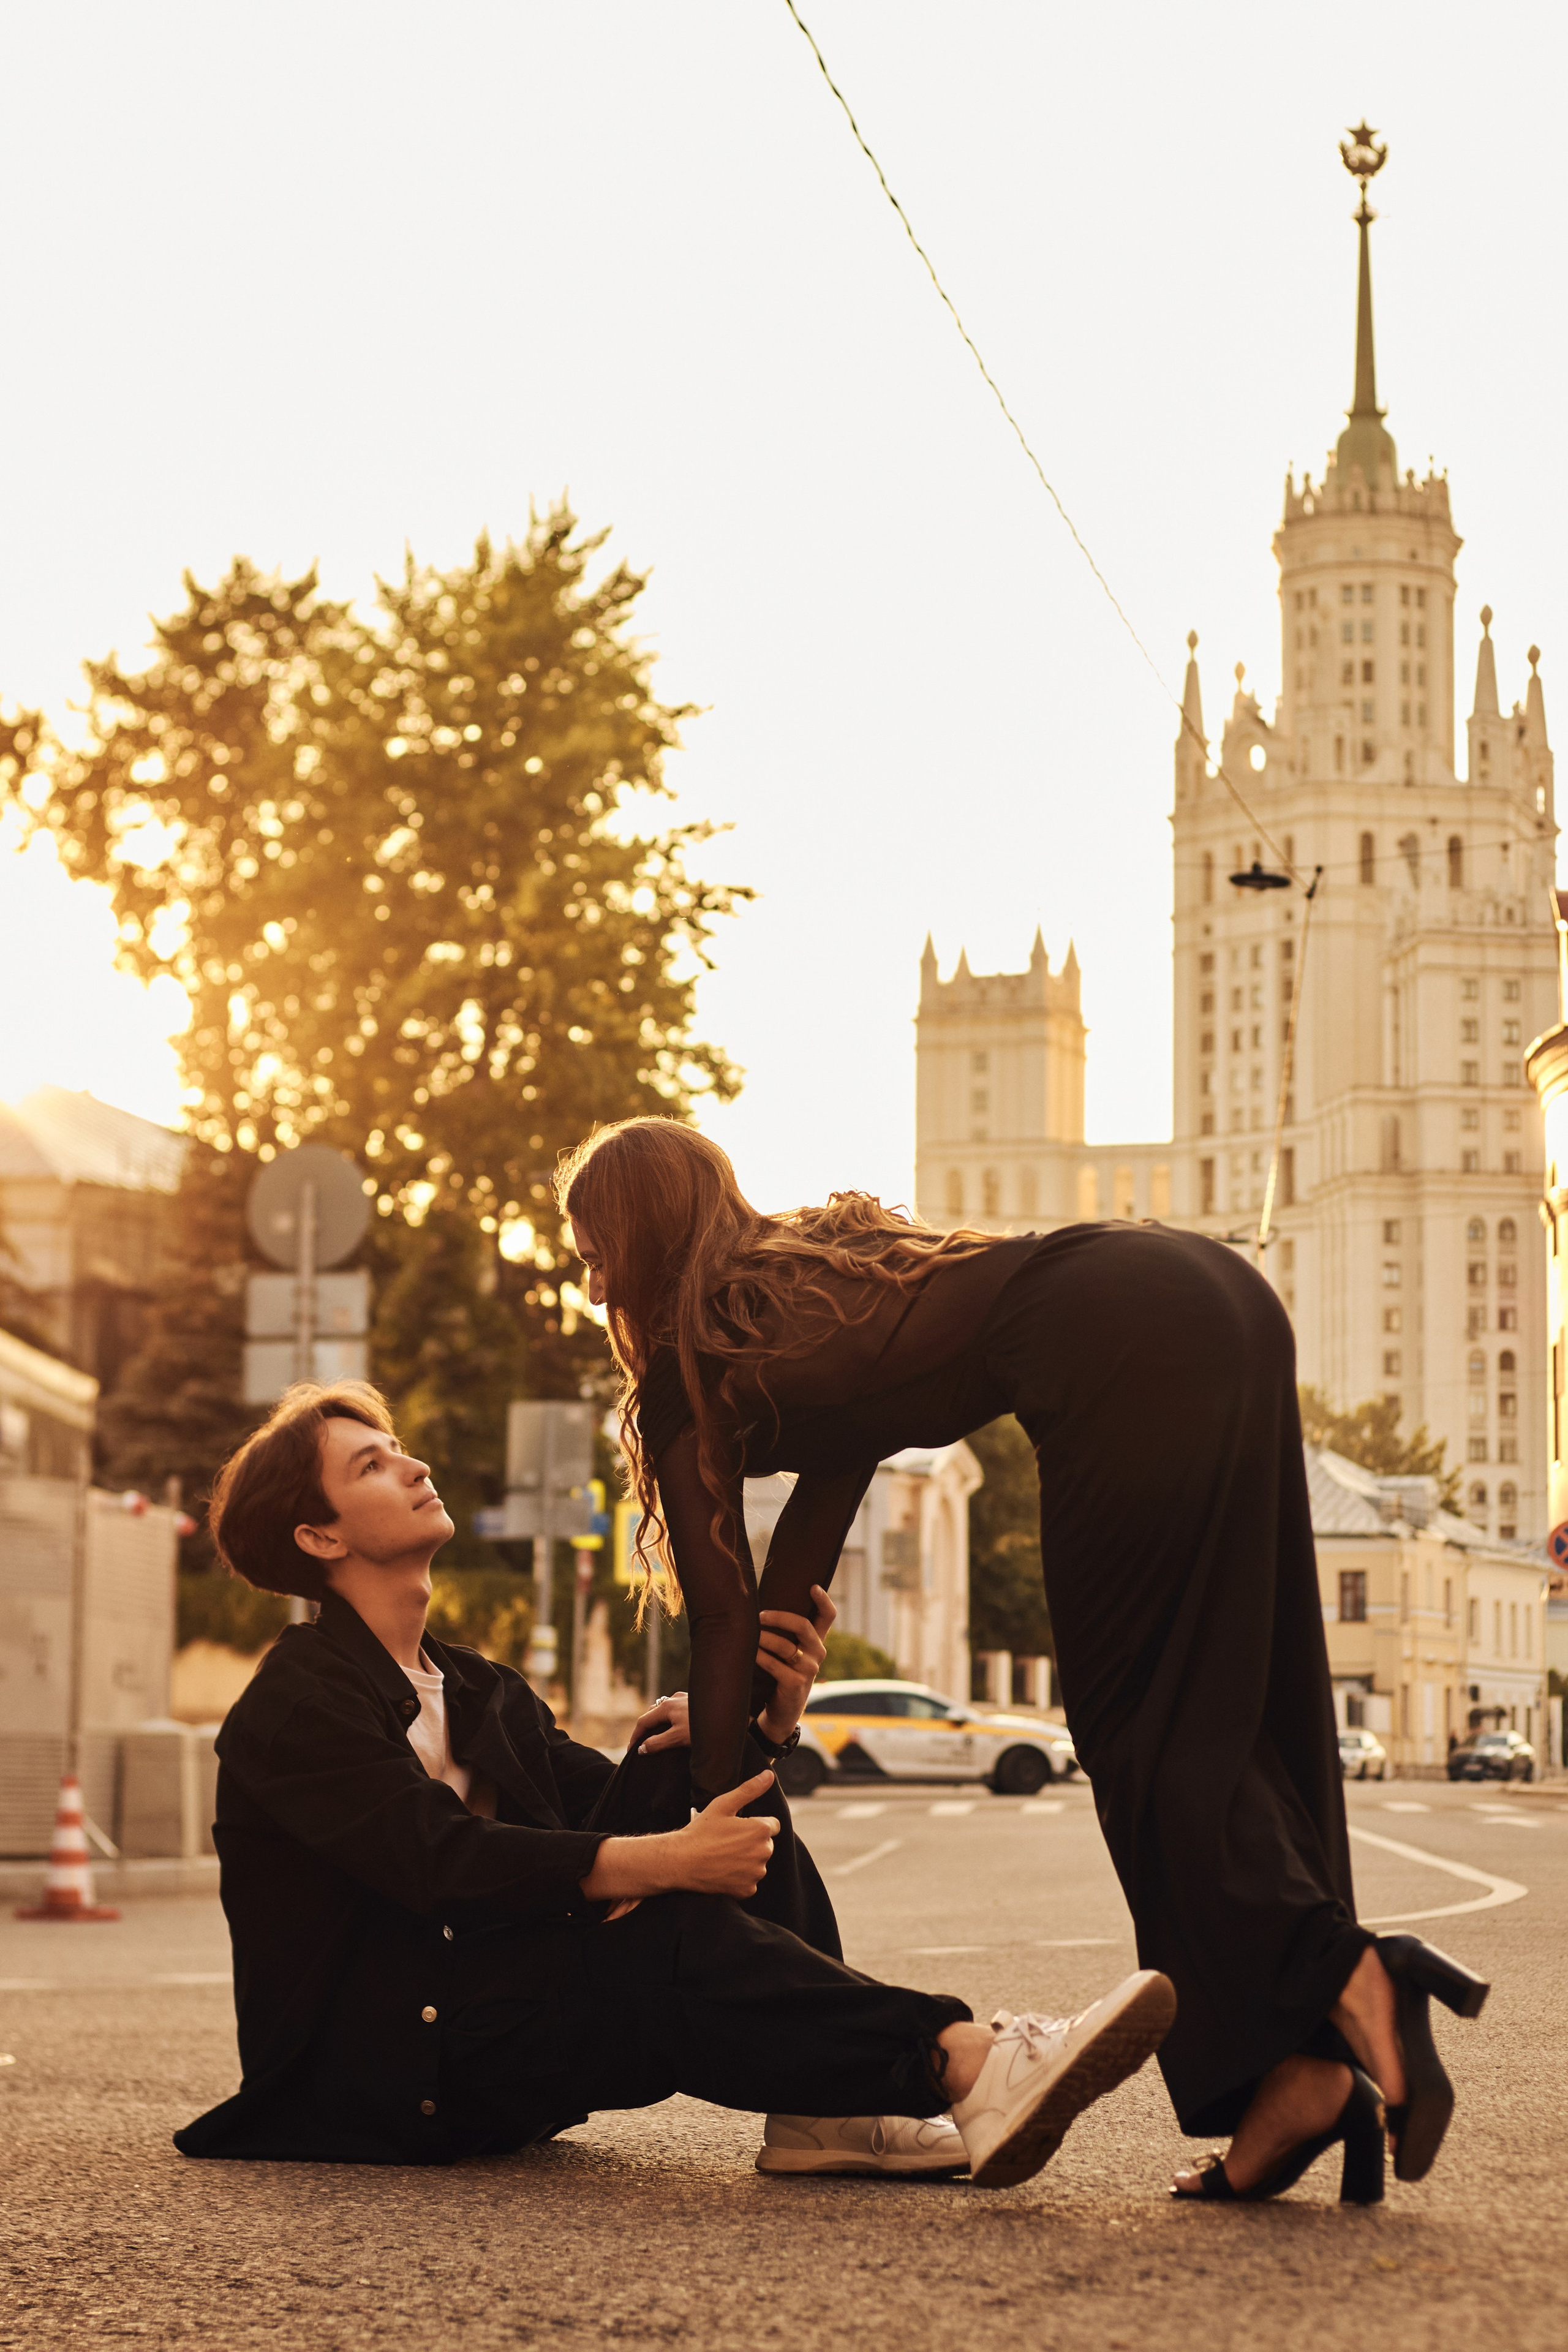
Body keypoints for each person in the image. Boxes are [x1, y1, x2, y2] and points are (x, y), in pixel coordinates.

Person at [556, 1117, 1490, 2205]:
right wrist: (759, 1727)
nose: (588, 1286)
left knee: (1145, 1726)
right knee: (1240, 1704)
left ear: (639, 1230)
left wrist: (710, 1812)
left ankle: (1351, 1976)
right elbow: (785, 1591)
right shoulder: (807, 1286)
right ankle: (1305, 2075)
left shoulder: (694, 1359)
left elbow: (721, 1622)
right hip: (1206, 1287)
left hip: (1115, 1342)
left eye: (591, 1251)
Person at [175, 1379, 1175, 2179]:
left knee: (730, 1782)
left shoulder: (475, 1687)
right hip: (380, 2075)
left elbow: (609, 1808)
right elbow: (438, 1859)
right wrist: (666, 1863)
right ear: (321, 1537)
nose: (414, 1465)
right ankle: (965, 2060)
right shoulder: (299, 1702)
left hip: (484, 2041)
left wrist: (756, 1731)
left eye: (396, 1450)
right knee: (666, 1925)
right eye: (372, 1465)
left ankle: (828, 2118)